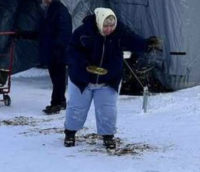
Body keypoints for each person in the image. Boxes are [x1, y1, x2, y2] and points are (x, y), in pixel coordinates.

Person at [63, 8, 162, 150]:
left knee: (107, 109)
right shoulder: (84, 31)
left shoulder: (120, 32)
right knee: (77, 107)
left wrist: (147, 44)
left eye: (111, 25)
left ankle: (108, 136)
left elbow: (133, 40)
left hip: (108, 78)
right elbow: (72, 50)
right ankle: (70, 133)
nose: (109, 29)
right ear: (99, 22)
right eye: (105, 26)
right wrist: (84, 64)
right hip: (82, 78)